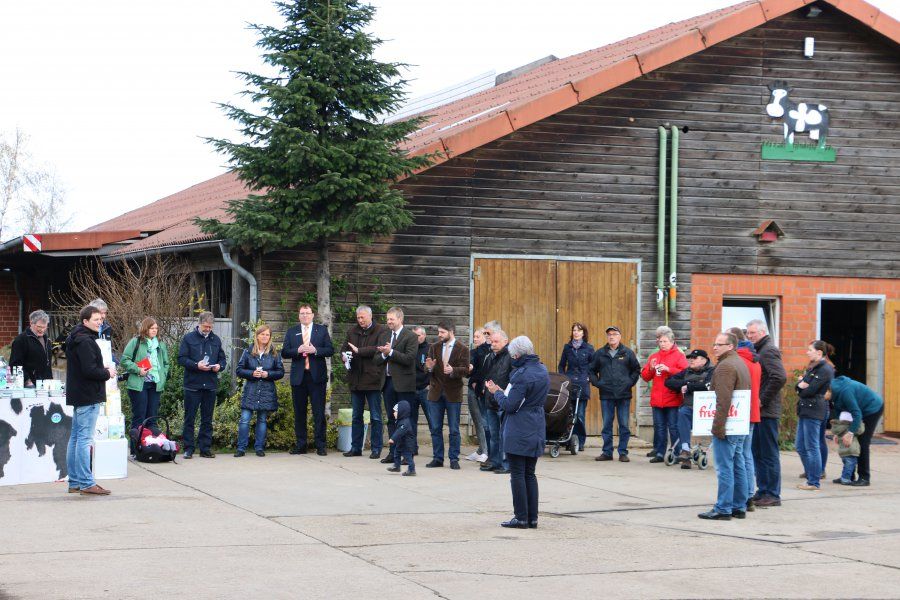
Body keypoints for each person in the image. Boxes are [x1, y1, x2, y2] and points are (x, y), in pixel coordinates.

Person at [485, 336, 549, 529]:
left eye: (513, 355)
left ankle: (521, 517)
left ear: (517, 355)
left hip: (520, 426)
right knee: (530, 473)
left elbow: (510, 405)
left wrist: (496, 392)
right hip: (536, 423)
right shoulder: (542, 370)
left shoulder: (521, 375)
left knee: (518, 474)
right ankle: (532, 518)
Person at [698, 332, 751, 520]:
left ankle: (723, 508)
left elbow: (723, 400)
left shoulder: (726, 366)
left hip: (729, 424)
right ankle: (739, 506)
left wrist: (718, 427)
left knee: (725, 467)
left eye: (719, 344)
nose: (715, 347)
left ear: (730, 346)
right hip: (739, 422)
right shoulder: (739, 362)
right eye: (714, 343)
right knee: (737, 463)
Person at [65, 305, 116, 496]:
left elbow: (84, 368)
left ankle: (75, 482)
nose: (100, 322)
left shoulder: (76, 337)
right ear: (85, 321)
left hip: (80, 394)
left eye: (101, 319)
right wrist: (107, 372)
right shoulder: (85, 341)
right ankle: (86, 483)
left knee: (76, 438)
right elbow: (89, 370)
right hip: (88, 395)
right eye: (96, 319)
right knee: (84, 439)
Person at [282, 304, 334, 456]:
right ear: (299, 316)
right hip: (299, 378)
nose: (305, 316)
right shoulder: (292, 331)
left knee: (318, 413)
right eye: (302, 313)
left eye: (307, 313)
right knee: (299, 413)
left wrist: (315, 350)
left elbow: (330, 350)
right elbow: (284, 352)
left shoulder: (321, 330)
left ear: (312, 315)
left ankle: (321, 445)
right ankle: (301, 445)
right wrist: (297, 350)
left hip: (316, 378)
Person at [746, 319, 787, 508]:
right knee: (758, 452)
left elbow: (779, 377)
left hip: (767, 412)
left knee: (768, 453)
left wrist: (762, 399)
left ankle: (772, 493)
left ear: (762, 332)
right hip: (760, 411)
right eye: (748, 333)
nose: (749, 336)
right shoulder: (759, 350)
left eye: (752, 333)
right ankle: (763, 490)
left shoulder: (768, 350)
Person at [178, 311, 227, 459]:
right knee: (190, 418)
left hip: (210, 385)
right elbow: (181, 359)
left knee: (207, 419)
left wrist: (219, 366)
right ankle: (188, 448)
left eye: (210, 327)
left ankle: (205, 448)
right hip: (192, 385)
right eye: (205, 326)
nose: (208, 329)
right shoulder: (188, 338)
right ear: (199, 324)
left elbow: (222, 359)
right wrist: (196, 365)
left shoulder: (216, 339)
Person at [588, 326, 641, 462]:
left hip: (624, 395)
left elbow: (636, 370)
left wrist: (629, 383)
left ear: (620, 336)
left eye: (614, 334)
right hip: (606, 395)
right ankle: (607, 452)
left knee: (623, 425)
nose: (611, 336)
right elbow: (591, 370)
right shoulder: (600, 353)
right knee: (607, 425)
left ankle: (623, 452)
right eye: (609, 334)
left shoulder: (628, 353)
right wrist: (598, 383)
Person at [373, 307, 418, 464]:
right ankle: (393, 453)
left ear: (400, 319)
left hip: (404, 384)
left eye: (391, 319)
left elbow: (409, 359)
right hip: (387, 383)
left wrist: (391, 352)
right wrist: (383, 354)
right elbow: (376, 359)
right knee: (392, 419)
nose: (389, 322)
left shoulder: (411, 336)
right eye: (387, 319)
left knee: (406, 420)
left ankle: (407, 454)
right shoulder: (384, 335)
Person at [341, 306, 386, 458]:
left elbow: (378, 349)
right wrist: (344, 357)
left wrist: (359, 351)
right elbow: (344, 349)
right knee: (356, 416)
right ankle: (355, 448)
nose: (360, 320)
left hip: (373, 379)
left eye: (363, 317)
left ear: (370, 316)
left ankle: (376, 448)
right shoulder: (352, 331)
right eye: (358, 317)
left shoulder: (381, 330)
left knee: (376, 417)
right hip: (356, 380)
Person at [424, 322, 469, 470]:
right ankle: (437, 458)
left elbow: (466, 369)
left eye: (442, 332)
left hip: (453, 394)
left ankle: (454, 458)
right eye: (439, 332)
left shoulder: (463, 349)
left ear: (451, 332)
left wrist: (453, 370)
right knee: (435, 428)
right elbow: (427, 367)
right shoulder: (434, 347)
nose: (439, 335)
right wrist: (429, 368)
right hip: (435, 393)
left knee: (454, 429)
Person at [234, 324, 285, 457]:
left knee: (262, 420)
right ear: (257, 336)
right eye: (262, 334)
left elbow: (280, 372)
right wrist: (252, 373)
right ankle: (241, 448)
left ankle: (259, 448)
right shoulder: (248, 351)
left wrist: (268, 374)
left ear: (270, 337)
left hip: (266, 392)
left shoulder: (274, 353)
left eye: (267, 334)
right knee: (244, 420)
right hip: (251, 391)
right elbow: (239, 370)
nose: (265, 337)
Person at [641, 326, 688, 463]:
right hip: (657, 399)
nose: (662, 344)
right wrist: (651, 368)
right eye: (660, 341)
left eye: (665, 341)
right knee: (659, 427)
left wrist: (669, 369)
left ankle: (677, 453)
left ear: (672, 342)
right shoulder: (654, 356)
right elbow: (645, 377)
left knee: (673, 427)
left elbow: (685, 373)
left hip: (673, 398)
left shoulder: (679, 355)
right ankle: (660, 453)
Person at [828, 375, 883, 487]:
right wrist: (838, 433)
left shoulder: (845, 392)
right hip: (858, 410)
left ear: (828, 390)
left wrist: (850, 433)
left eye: (822, 395)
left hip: (872, 408)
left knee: (862, 442)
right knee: (848, 442)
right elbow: (839, 415)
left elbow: (857, 414)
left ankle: (864, 477)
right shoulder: (834, 394)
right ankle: (849, 476)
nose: (821, 398)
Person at [794, 340, 835, 491]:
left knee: (812, 446)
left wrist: (802, 386)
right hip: (805, 410)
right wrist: (800, 385)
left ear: (819, 352)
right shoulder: (814, 367)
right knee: (800, 446)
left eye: (810, 350)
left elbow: (808, 391)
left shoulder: (825, 369)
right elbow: (799, 387)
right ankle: (812, 474)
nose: (807, 352)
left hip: (814, 410)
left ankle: (813, 481)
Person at [664, 348, 714, 469]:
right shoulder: (687, 371)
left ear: (704, 360)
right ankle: (685, 450)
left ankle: (687, 453)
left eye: (694, 358)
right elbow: (668, 382)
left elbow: (707, 386)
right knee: (682, 412)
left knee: (683, 414)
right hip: (689, 407)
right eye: (690, 358)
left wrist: (689, 386)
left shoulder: (712, 371)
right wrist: (685, 384)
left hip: (707, 410)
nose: (691, 360)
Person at [120, 317, 170, 432]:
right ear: (145, 329)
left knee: (152, 419)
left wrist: (163, 375)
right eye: (152, 328)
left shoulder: (160, 344)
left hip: (155, 384)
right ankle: (136, 443)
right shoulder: (136, 342)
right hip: (139, 384)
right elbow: (124, 360)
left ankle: (150, 442)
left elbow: (166, 363)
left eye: (156, 328)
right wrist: (138, 370)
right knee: (139, 417)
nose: (154, 330)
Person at [730, 327, 761, 510]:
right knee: (746, 454)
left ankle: (743, 496)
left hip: (739, 412)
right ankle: (748, 494)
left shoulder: (738, 361)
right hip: (752, 411)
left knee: (738, 455)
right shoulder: (754, 360)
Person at [557, 322, 594, 452]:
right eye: (574, 330)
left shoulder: (589, 348)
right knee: (568, 414)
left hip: (582, 385)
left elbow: (594, 366)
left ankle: (580, 441)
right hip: (569, 384)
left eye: (579, 330)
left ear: (583, 333)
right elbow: (561, 365)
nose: (576, 333)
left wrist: (589, 377)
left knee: (580, 415)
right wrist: (563, 378)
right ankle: (568, 440)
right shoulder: (567, 348)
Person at [480, 330, 512, 473]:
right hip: (490, 401)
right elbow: (486, 376)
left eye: (496, 342)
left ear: (505, 341)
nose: (493, 344)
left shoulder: (511, 357)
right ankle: (495, 461)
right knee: (494, 435)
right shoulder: (490, 356)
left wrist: (505, 394)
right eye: (491, 341)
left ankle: (506, 464)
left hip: (503, 401)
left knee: (505, 435)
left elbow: (513, 380)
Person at [465, 327, 491, 462]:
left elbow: (485, 372)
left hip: (483, 391)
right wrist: (469, 370)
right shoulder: (473, 352)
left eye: (478, 336)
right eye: (474, 336)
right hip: (472, 389)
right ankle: (481, 449)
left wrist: (478, 382)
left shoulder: (489, 352)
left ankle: (486, 451)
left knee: (483, 420)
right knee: (476, 419)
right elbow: (468, 372)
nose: (475, 339)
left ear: (485, 337)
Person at [9, 309, 53, 386]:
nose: (42, 330)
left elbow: (47, 364)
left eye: (44, 327)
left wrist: (50, 380)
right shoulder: (21, 340)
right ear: (31, 323)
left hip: (45, 384)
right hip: (28, 385)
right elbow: (15, 364)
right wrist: (27, 381)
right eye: (39, 327)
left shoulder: (47, 340)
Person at [830, 411, 863, 486]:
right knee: (849, 465)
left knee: (846, 465)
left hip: (842, 451)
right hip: (851, 449)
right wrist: (861, 422)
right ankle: (845, 479)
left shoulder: (839, 428)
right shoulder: (851, 428)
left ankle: (844, 477)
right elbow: (861, 430)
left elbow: (835, 432)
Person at [412, 325, 431, 454]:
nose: (416, 338)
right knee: (411, 421)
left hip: (425, 390)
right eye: (414, 336)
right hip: (411, 389)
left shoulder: (429, 349)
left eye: (418, 335)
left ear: (424, 335)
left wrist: (430, 384)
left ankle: (437, 450)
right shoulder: (410, 349)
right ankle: (412, 448)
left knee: (432, 420)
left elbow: (434, 369)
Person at [386, 400, 416, 476]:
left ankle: (412, 470)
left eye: (395, 411)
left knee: (408, 457)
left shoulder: (405, 423)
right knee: (396, 453)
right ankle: (397, 466)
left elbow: (399, 432)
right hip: (401, 442)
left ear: (402, 412)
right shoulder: (400, 421)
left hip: (407, 444)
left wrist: (393, 438)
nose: (393, 413)